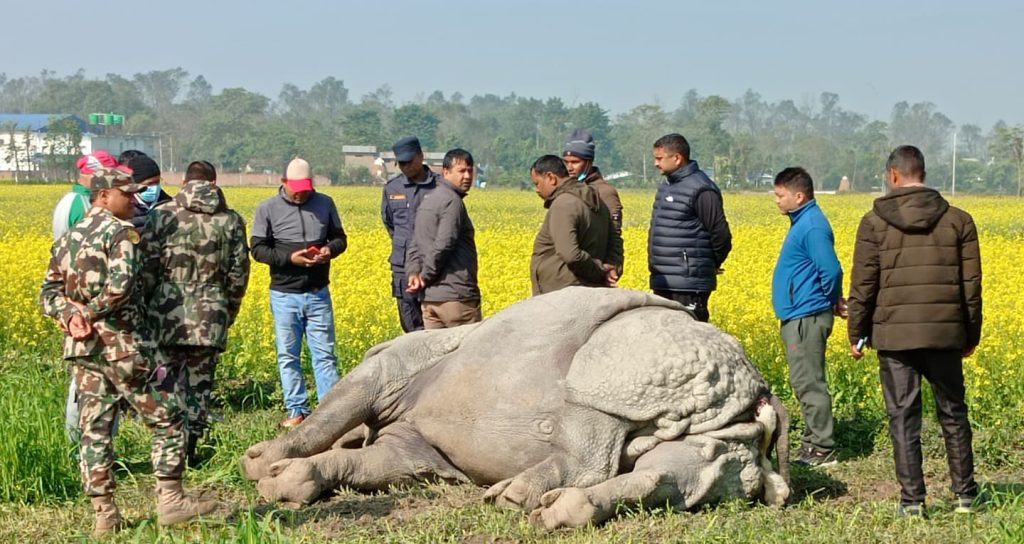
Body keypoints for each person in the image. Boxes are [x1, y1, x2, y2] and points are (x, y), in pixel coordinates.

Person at [39, 165, 215, 534]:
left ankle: (105, 514)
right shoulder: (121, 234)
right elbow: (122, 287)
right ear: (103, 196)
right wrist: (86, 311)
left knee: (95, 429)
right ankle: (171, 499)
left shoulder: (69, 238)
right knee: (168, 416)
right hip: (123, 346)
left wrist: (70, 314)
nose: (135, 200)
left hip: (84, 349)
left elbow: (49, 293)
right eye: (127, 194)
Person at [847, 145, 982, 518]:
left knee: (903, 417)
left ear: (893, 175)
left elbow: (863, 285)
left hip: (894, 338)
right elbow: (970, 286)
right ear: (922, 172)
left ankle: (912, 502)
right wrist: (970, 335)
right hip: (945, 334)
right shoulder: (959, 220)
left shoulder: (872, 223)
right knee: (953, 413)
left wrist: (856, 333)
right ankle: (965, 495)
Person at [141, 160, 250, 464]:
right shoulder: (230, 220)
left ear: (184, 183)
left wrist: (149, 307)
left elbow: (147, 268)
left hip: (165, 314)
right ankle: (191, 447)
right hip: (211, 315)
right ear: (214, 183)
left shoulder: (161, 215)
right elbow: (238, 274)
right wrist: (228, 310)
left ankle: (166, 450)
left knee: (166, 383)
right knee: (199, 386)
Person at [251, 157, 348, 428]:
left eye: (306, 187)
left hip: (318, 293)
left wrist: (330, 250)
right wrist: (290, 258)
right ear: (283, 183)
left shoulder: (325, 203)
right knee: (288, 355)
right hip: (284, 295)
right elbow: (258, 249)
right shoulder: (267, 208)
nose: (301, 193)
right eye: (296, 187)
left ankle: (329, 415)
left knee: (325, 354)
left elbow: (340, 239)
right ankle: (297, 410)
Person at [770, 167, 844, 467]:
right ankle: (815, 442)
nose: (776, 200)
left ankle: (821, 448)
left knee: (809, 381)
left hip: (807, 316)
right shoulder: (802, 222)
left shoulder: (811, 226)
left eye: (780, 195)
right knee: (804, 380)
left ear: (799, 196)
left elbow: (831, 270)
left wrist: (826, 301)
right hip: (801, 313)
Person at [56, 151, 125, 445]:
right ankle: (80, 447)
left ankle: (101, 449)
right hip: (87, 312)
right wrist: (78, 311)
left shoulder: (89, 203)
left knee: (102, 385)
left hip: (95, 312)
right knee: (85, 384)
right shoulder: (76, 204)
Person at [648, 133, 732, 322]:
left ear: (677, 158)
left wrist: (708, 264)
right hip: (665, 280)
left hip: (688, 283)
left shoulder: (701, 189)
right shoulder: (667, 187)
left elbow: (721, 235)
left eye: (659, 158)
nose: (655, 163)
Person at [405, 149, 482, 328]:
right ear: (445, 172)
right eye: (461, 171)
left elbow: (415, 244)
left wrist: (413, 274)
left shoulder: (428, 199)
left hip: (430, 301)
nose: (467, 176)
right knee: (467, 355)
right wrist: (424, 276)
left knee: (436, 356)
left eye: (470, 170)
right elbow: (444, 244)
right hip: (456, 298)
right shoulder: (452, 201)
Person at [529, 154, 623, 295]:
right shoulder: (596, 200)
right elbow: (615, 239)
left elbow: (571, 254)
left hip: (561, 292)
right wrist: (613, 266)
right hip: (587, 290)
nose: (537, 189)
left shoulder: (564, 204)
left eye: (537, 183)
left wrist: (601, 270)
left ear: (551, 178)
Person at [381, 136, 439, 332]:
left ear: (421, 156)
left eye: (409, 161)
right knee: (411, 327)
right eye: (401, 163)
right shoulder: (392, 188)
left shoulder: (441, 187)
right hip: (402, 266)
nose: (405, 167)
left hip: (435, 266)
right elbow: (390, 223)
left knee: (437, 326)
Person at [563, 128, 623, 234]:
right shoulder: (566, 189)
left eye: (575, 162)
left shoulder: (605, 192)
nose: (569, 168)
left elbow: (614, 234)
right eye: (566, 162)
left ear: (589, 162)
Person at [124, 153, 172, 229]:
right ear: (135, 184)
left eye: (157, 182)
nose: (154, 187)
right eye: (149, 183)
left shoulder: (169, 204)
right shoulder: (125, 208)